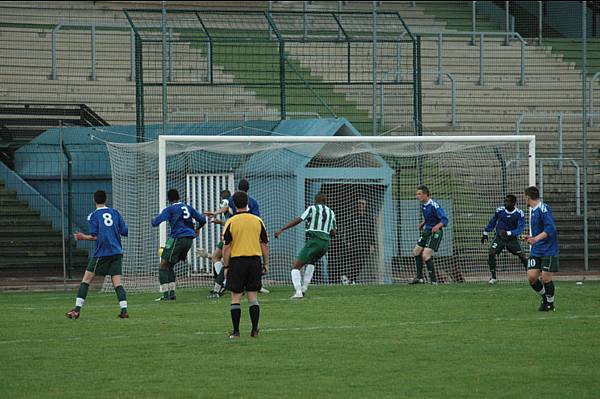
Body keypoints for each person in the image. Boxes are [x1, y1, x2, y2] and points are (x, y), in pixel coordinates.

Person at [66, 190, 129, 319]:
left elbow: (95, 236)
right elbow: (125, 231)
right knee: (117, 282)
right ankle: (124, 310)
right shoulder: (115, 213)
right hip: (117, 252)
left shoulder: (93, 216)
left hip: (102, 253)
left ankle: (77, 310)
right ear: (106, 200)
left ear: (94, 200)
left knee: (86, 279)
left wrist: (82, 237)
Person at [205, 179, 269, 295]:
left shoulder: (232, 199)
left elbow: (226, 208)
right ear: (248, 188)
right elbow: (255, 219)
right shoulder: (253, 202)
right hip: (248, 234)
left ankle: (220, 286)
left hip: (233, 232)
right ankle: (250, 284)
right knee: (245, 257)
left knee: (224, 259)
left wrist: (215, 213)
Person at [222, 191, 269, 339]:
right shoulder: (257, 220)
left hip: (237, 262)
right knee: (253, 297)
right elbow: (264, 245)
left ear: (234, 204)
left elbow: (226, 247)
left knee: (236, 297)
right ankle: (255, 330)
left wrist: (226, 266)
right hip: (255, 261)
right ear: (247, 202)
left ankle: (236, 332)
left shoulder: (230, 222)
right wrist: (265, 263)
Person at [275, 193, 337, 299]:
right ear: (325, 201)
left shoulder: (312, 208)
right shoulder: (331, 212)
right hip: (325, 244)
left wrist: (282, 229)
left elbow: (299, 219)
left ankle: (298, 292)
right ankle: (304, 289)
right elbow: (334, 232)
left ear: (315, 200)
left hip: (314, 241)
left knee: (295, 267)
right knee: (311, 262)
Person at [151, 188, 206, 301]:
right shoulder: (188, 207)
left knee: (163, 265)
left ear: (168, 199)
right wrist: (197, 228)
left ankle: (165, 295)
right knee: (169, 266)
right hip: (189, 240)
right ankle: (172, 294)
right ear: (178, 196)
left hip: (178, 238)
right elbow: (203, 219)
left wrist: (153, 219)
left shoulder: (170, 209)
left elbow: (156, 223)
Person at [523, 186, 559, 312]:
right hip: (536, 250)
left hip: (548, 250)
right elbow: (539, 230)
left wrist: (536, 239)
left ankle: (550, 303)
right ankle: (545, 298)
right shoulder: (533, 210)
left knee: (545, 278)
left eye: (524, 197)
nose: (524, 200)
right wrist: (531, 237)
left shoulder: (543, 209)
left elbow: (551, 229)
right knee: (532, 277)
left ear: (527, 197)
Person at [481, 194, 528, 284]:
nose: (505, 203)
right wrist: (486, 233)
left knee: (522, 256)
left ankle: (531, 274)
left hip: (512, 239)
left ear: (513, 203)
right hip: (500, 238)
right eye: (505, 201)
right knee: (491, 253)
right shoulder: (500, 211)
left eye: (508, 201)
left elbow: (520, 229)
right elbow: (493, 221)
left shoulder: (519, 213)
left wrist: (509, 233)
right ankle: (493, 277)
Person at [409, 185, 448, 285]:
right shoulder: (424, 205)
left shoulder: (434, 206)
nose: (417, 196)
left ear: (425, 195)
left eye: (419, 194)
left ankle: (434, 280)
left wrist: (437, 226)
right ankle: (419, 278)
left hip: (435, 232)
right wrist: (423, 222)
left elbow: (445, 219)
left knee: (425, 255)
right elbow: (430, 217)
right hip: (427, 230)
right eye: (417, 194)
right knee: (416, 252)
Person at [204, 189, 232, 299]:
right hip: (230, 235)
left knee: (221, 259)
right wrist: (220, 222)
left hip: (229, 236)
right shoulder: (234, 206)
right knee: (217, 257)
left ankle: (223, 283)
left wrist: (215, 214)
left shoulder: (227, 203)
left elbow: (230, 221)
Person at [342, 198, 376, 284]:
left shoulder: (369, 218)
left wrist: (372, 244)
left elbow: (371, 231)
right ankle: (347, 277)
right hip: (354, 243)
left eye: (362, 204)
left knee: (361, 263)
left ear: (365, 206)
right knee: (352, 261)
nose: (360, 205)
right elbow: (348, 230)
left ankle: (352, 279)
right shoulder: (352, 216)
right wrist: (348, 241)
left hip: (365, 244)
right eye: (359, 204)